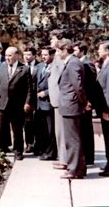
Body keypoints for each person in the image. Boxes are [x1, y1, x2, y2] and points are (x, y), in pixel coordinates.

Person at [0, 46, 34, 160]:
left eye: (9, 55)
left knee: (17, 130)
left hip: (17, 105)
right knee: (2, 128)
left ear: (16, 56)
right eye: (6, 55)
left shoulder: (24, 69)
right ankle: (1, 148)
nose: (7, 58)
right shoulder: (2, 66)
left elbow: (30, 89)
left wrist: (27, 103)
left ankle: (18, 151)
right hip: (2, 103)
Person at [73, 41, 109, 165]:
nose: (74, 52)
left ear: (82, 51)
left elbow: (90, 85)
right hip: (81, 102)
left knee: (86, 130)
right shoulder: (80, 63)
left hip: (86, 103)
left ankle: (89, 157)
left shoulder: (87, 64)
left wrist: (88, 101)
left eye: (76, 50)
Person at [56, 39, 87, 179]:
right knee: (74, 139)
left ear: (64, 50)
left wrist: (83, 102)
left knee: (72, 140)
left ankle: (73, 169)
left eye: (57, 50)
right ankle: (79, 169)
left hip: (71, 106)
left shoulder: (73, 63)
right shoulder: (71, 62)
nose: (56, 54)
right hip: (70, 106)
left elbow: (78, 86)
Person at [48, 30, 68, 170]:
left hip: (61, 100)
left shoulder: (61, 56)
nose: (51, 42)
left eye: (52, 40)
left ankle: (65, 160)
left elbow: (62, 78)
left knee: (62, 132)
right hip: (56, 100)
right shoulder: (56, 55)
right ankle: (63, 159)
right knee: (59, 132)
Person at [34, 46, 57, 160]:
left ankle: (51, 153)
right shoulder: (39, 66)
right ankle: (43, 150)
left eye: (46, 55)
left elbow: (58, 84)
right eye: (42, 55)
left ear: (52, 55)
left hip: (49, 102)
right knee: (41, 130)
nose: (43, 57)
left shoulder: (56, 67)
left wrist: (47, 92)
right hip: (39, 104)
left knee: (50, 130)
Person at [97, 41, 109, 177]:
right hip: (106, 109)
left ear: (107, 51)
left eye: (100, 49)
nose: (98, 51)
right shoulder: (107, 64)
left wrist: (107, 110)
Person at [23, 46, 42, 154]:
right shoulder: (21, 66)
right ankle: (29, 144)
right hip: (26, 99)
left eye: (29, 55)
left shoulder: (40, 66)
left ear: (34, 56)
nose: (26, 57)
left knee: (39, 123)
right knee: (28, 123)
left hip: (38, 98)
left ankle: (39, 144)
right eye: (25, 54)